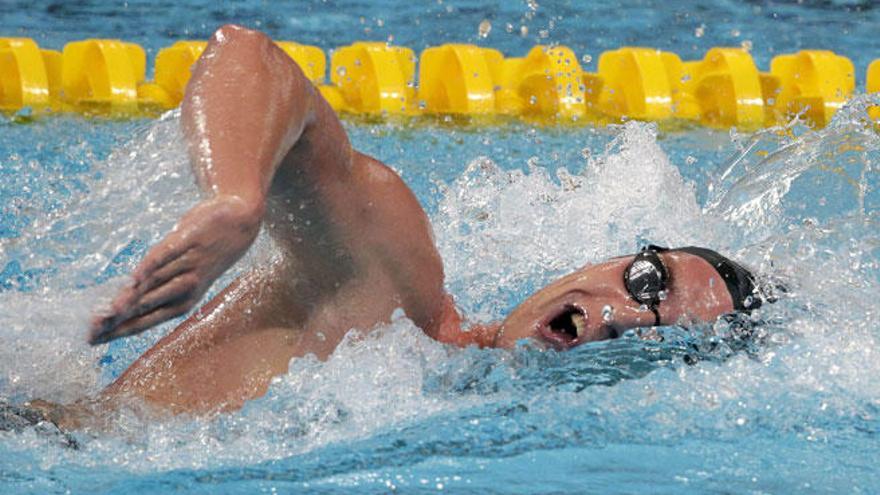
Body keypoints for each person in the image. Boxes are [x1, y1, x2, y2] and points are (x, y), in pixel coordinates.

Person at [19, 25, 764, 431]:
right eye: (645, 280)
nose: (626, 319)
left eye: (664, 339)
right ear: (604, 258)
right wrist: (236, 200)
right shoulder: (397, 299)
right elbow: (251, 57)